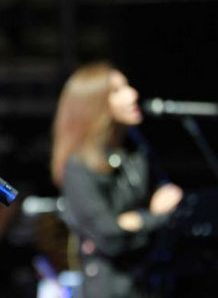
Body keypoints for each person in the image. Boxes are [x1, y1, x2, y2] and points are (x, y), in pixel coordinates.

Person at [50, 61, 183, 298]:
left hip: (152, 280)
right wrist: (152, 216)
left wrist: (133, 221)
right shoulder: (78, 166)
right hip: (111, 288)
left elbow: (170, 202)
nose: (133, 94)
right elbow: (109, 235)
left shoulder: (136, 152)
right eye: (117, 91)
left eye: (128, 86)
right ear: (93, 105)